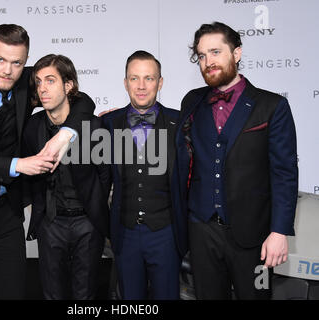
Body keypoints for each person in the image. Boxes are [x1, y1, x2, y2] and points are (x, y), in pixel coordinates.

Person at [0, 24, 95, 299]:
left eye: (17, 63)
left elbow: (80, 100)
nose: (8, 70)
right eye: (0, 60)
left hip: (7, 218)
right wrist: (18, 164)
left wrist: (65, 136)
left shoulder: (26, 82)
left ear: (25, 61)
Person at [177, 21, 298, 299]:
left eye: (216, 52)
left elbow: (284, 173)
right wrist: (114, 120)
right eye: (202, 55)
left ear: (237, 53)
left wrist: (279, 231)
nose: (208, 62)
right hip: (202, 232)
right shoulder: (192, 102)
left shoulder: (271, 106)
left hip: (254, 237)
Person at [22, 54, 110, 299]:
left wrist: (95, 214)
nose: (42, 89)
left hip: (87, 223)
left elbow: (105, 175)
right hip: (50, 222)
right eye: (38, 82)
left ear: (68, 85)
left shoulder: (93, 126)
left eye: (50, 80)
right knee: (52, 294)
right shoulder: (32, 126)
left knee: (86, 294)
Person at [101, 50, 188, 300]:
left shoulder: (180, 122)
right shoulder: (108, 124)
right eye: (134, 78)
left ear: (160, 83)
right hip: (124, 234)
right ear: (125, 82)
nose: (141, 86)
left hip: (166, 234)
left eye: (149, 78)